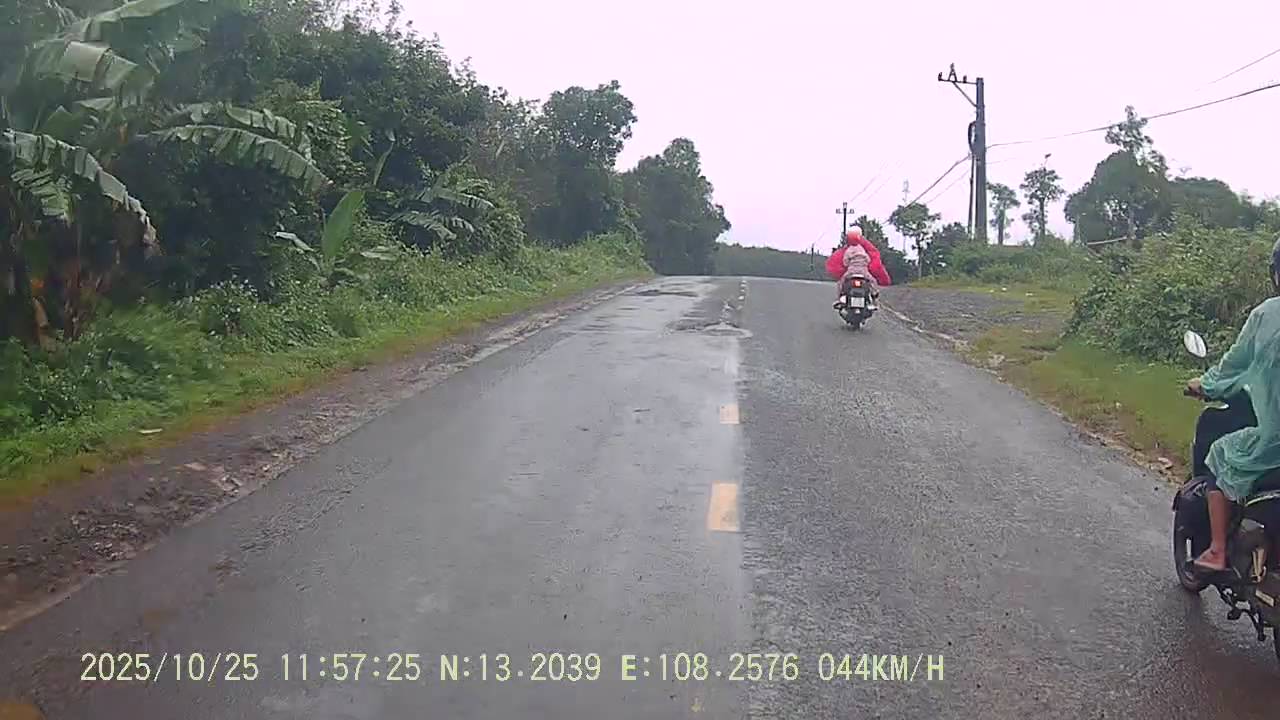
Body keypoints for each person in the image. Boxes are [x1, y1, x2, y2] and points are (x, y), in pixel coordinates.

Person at [1186, 234, 1280, 572]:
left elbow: (1236, 364)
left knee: (1219, 454)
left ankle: (1216, 550)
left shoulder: (1267, 314)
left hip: (1274, 439)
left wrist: (1205, 384)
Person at [830, 227, 892, 309]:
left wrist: (848, 265)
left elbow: (845, 261)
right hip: (863, 271)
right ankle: (874, 295)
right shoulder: (862, 249)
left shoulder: (849, 250)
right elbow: (868, 259)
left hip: (851, 271)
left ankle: (839, 298)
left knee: (841, 282)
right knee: (872, 281)